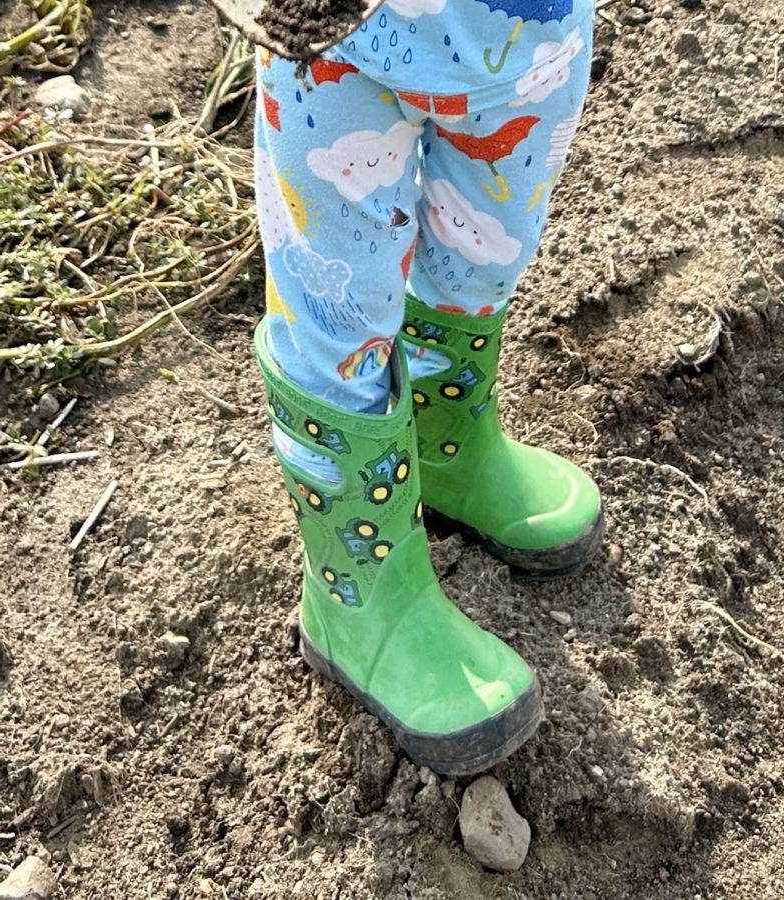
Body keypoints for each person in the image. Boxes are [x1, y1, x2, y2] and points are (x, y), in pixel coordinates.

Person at [250, 0, 600, 775]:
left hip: (524, 51)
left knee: (481, 255)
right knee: (333, 314)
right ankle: (361, 603)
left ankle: (448, 453)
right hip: (336, 54)